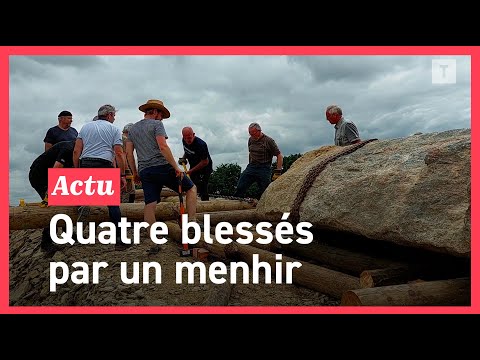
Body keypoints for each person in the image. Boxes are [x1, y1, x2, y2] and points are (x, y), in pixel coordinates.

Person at [125, 99, 198, 230]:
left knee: (150, 204)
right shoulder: (156, 125)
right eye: (161, 115)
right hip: (162, 166)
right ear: (156, 112)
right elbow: (163, 146)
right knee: (191, 189)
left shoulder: (132, 129)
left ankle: (153, 238)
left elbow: (129, 154)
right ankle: (192, 223)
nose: (162, 118)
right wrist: (176, 168)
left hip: (145, 170)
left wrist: (135, 173)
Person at [73, 104, 127, 250]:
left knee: (86, 196)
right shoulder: (113, 129)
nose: (114, 118)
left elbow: (77, 150)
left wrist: (77, 170)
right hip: (104, 163)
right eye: (114, 116)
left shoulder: (85, 127)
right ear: (109, 115)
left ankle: (76, 230)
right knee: (113, 204)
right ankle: (119, 240)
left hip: (86, 162)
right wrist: (121, 174)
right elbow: (119, 153)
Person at [29, 140, 75, 253]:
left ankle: (67, 233)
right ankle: (46, 243)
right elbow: (57, 167)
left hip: (52, 175)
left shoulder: (78, 149)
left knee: (66, 202)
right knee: (53, 206)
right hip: (39, 176)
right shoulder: (68, 149)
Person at [233, 122, 283, 199]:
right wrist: (250, 164)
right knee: (240, 186)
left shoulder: (268, 141)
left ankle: (266, 207)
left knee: (265, 192)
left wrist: (278, 171)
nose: (252, 135)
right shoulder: (250, 140)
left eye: (253, 133)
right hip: (252, 167)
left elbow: (279, 155)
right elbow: (250, 152)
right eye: (250, 133)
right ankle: (236, 203)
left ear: (259, 131)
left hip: (264, 168)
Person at [179, 126, 213, 201]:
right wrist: (184, 158)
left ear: (193, 134)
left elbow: (205, 161)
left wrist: (190, 171)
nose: (188, 140)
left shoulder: (201, 145)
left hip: (204, 167)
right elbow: (187, 150)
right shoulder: (184, 140)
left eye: (189, 137)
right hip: (194, 165)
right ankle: (194, 203)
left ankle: (205, 205)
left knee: (202, 186)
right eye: (185, 138)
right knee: (192, 185)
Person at [121, 123, 136, 203]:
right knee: (129, 193)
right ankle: (125, 215)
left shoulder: (119, 138)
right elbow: (125, 155)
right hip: (125, 170)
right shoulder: (126, 140)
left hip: (118, 169)